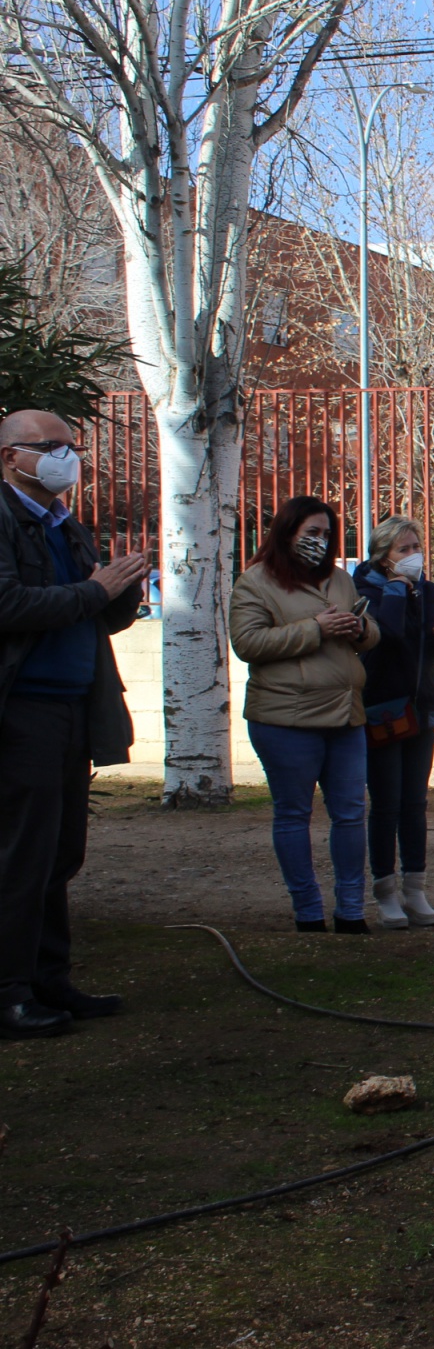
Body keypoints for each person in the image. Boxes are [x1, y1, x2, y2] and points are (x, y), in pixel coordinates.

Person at [0, 409, 148, 1038]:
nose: (67, 456)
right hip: (20, 710)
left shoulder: (65, 524)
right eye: (51, 446)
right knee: (20, 856)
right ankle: (8, 992)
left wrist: (122, 592)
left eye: (71, 445)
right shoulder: (4, 519)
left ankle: (49, 979)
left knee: (61, 852)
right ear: (12, 458)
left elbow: (93, 616)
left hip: (72, 705)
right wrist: (96, 590)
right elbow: (8, 605)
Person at [230, 496, 382, 933]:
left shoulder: (340, 579)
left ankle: (351, 909)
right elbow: (249, 644)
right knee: (293, 814)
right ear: (287, 532)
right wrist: (315, 629)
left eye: (326, 534)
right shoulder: (256, 582)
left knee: (352, 813)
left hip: (345, 715)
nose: (320, 541)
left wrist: (361, 630)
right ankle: (308, 910)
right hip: (284, 718)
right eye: (311, 533)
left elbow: (366, 634)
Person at [352, 515, 434, 930]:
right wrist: (397, 591)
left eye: (416, 546)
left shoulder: (432, 593)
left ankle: (415, 888)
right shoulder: (363, 591)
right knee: (385, 803)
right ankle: (385, 891)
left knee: (414, 804)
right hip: (382, 711)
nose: (414, 555)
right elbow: (388, 634)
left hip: (423, 711)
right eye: (404, 549)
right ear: (383, 557)